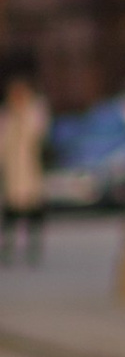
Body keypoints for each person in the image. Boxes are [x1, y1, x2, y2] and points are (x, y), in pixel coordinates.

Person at [0, 72, 47, 264]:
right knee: (10, 214)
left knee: (33, 213)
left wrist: (23, 114)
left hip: (30, 172)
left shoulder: (35, 112)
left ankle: (33, 250)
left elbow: (37, 134)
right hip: (12, 173)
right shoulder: (6, 115)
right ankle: (8, 249)